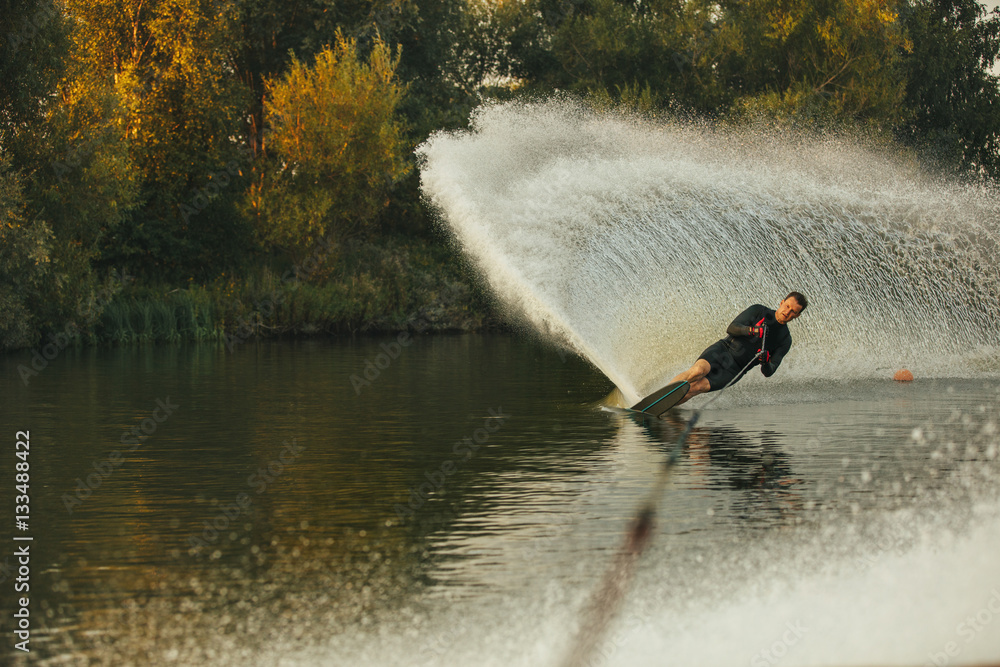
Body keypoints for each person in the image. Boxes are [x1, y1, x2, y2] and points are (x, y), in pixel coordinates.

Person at [671, 292, 807, 405]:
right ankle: (663, 394)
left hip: (735, 370)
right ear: (782, 302)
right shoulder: (759, 310)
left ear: (797, 315)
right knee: (697, 371)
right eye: (787, 306)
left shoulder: (785, 340)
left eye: (793, 311)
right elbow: (731, 328)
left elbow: (769, 371)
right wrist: (752, 330)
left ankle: (663, 407)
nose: (787, 312)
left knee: (696, 388)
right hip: (723, 350)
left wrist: (765, 362)